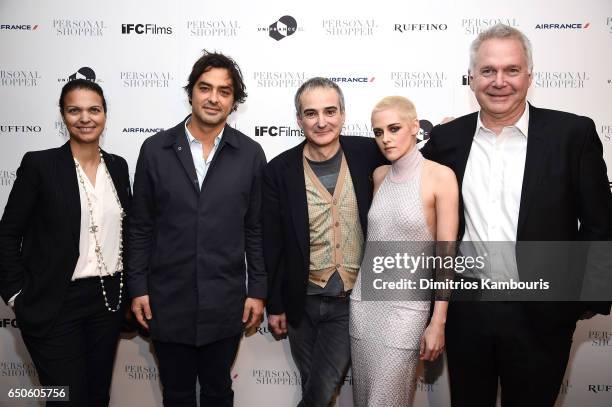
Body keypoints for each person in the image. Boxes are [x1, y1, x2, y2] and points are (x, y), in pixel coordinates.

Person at [421, 23, 612, 406]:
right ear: (472, 78)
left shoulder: (572, 134)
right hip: (466, 312)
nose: (499, 81)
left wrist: (579, 302)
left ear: (529, 75)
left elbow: (599, 224)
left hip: (541, 314)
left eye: (511, 70)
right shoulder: (447, 140)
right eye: (488, 71)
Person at [127, 50, 266, 407]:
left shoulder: (250, 154)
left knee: (219, 392)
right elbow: (141, 226)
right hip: (166, 300)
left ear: (234, 101)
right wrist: (138, 287)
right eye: (205, 88)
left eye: (224, 91)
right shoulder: (155, 149)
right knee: (176, 394)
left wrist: (258, 290)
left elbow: (255, 229)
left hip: (225, 300)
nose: (213, 98)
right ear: (191, 92)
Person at [0, 79, 131, 406]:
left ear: (105, 114)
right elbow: (7, 233)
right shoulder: (40, 165)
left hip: (108, 300)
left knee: (98, 396)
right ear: (63, 115)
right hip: (55, 302)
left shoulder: (118, 166)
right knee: (66, 400)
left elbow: (128, 231)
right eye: (75, 110)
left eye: (93, 110)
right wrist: (16, 294)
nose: (85, 118)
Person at [263, 77, 386, 407]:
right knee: (314, 386)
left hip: (352, 301)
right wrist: (274, 304)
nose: (322, 121)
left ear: (343, 114)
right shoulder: (279, 171)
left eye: (330, 111)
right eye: (311, 113)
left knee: (318, 392)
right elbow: (272, 245)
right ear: (299, 119)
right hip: (301, 303)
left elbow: (413, 163)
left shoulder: (369, 153)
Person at [349, 96, 458, 406]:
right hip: (365, 304)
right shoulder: (380, 176)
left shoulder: (440, 177)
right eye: (378, 131)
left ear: (415, 127)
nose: (385, 138)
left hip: (407, 312)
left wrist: (438, 322)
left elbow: (445, 257)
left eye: (394, 128)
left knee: (387, 400)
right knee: (365, 398)